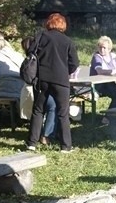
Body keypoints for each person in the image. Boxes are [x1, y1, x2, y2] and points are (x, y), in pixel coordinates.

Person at [26, 12, 79, 153]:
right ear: (63, 25)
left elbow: (30, 52)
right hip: (61, 81)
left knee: (38, 111)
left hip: (42, 79)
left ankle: (31, 143)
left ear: (48, 23)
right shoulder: (67, 41)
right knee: (63, 113)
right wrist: (65, 71)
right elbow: (74, 63)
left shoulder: (41, 36)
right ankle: (65, 146)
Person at [20, 37, 57, 145]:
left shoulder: (29, 58)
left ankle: (34, 137)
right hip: (41, 87)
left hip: (29, 90)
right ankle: (47, 135)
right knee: (52, 106)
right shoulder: (41, 57)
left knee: (38, 110)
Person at [90, 36, 116, 120]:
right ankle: (108, 117)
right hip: (99, 85)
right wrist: (113, 71)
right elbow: (99, 71)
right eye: (100, 47)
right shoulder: (97, 57)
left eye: (104, 48)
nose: (102, 49)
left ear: (109, 49)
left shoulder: (113, 56)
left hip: (110, 83)